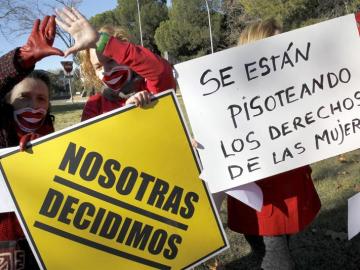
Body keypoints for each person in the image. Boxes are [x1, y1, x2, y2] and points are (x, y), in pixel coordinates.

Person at [227, 19, 321, 270]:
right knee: (277, 258)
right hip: (262, 197)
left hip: (289, 185)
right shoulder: (230, 95)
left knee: (276, 248)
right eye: (276, 44)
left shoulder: (296, 85)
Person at [0, 15, 63, 269]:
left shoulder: (55, 136)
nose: (33, 105)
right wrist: (23, 58)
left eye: (41, 99)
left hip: (46, 242)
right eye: (24, 97)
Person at [55, 7, 176, 121]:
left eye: (111, 60)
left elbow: (161, 71)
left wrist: (100, 41)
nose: (107, 70)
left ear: (123, 55)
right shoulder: (95, 105)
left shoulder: (149, 87)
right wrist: (127, 113)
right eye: (98, 66)